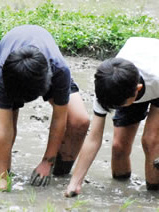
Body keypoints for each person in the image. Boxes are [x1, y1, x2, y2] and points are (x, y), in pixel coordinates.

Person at [0, 25, 90, 190]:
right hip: (12, 66)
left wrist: (47, 161)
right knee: (8, 128)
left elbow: (59, 118)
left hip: (42, 68)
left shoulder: (59, 70)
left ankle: (59, 173)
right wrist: (1, 177)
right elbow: (3, 126)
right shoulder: (4, 74)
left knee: (80, 120)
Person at [65, 37, 159, 197]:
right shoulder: (107, 86)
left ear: (138, 90)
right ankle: (121, 191)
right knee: (118, 147)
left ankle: (153, 196)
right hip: (132, 77)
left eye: (119, 106)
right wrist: (75, 183)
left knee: (151, 141)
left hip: (155, 78)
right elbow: (93, 138)